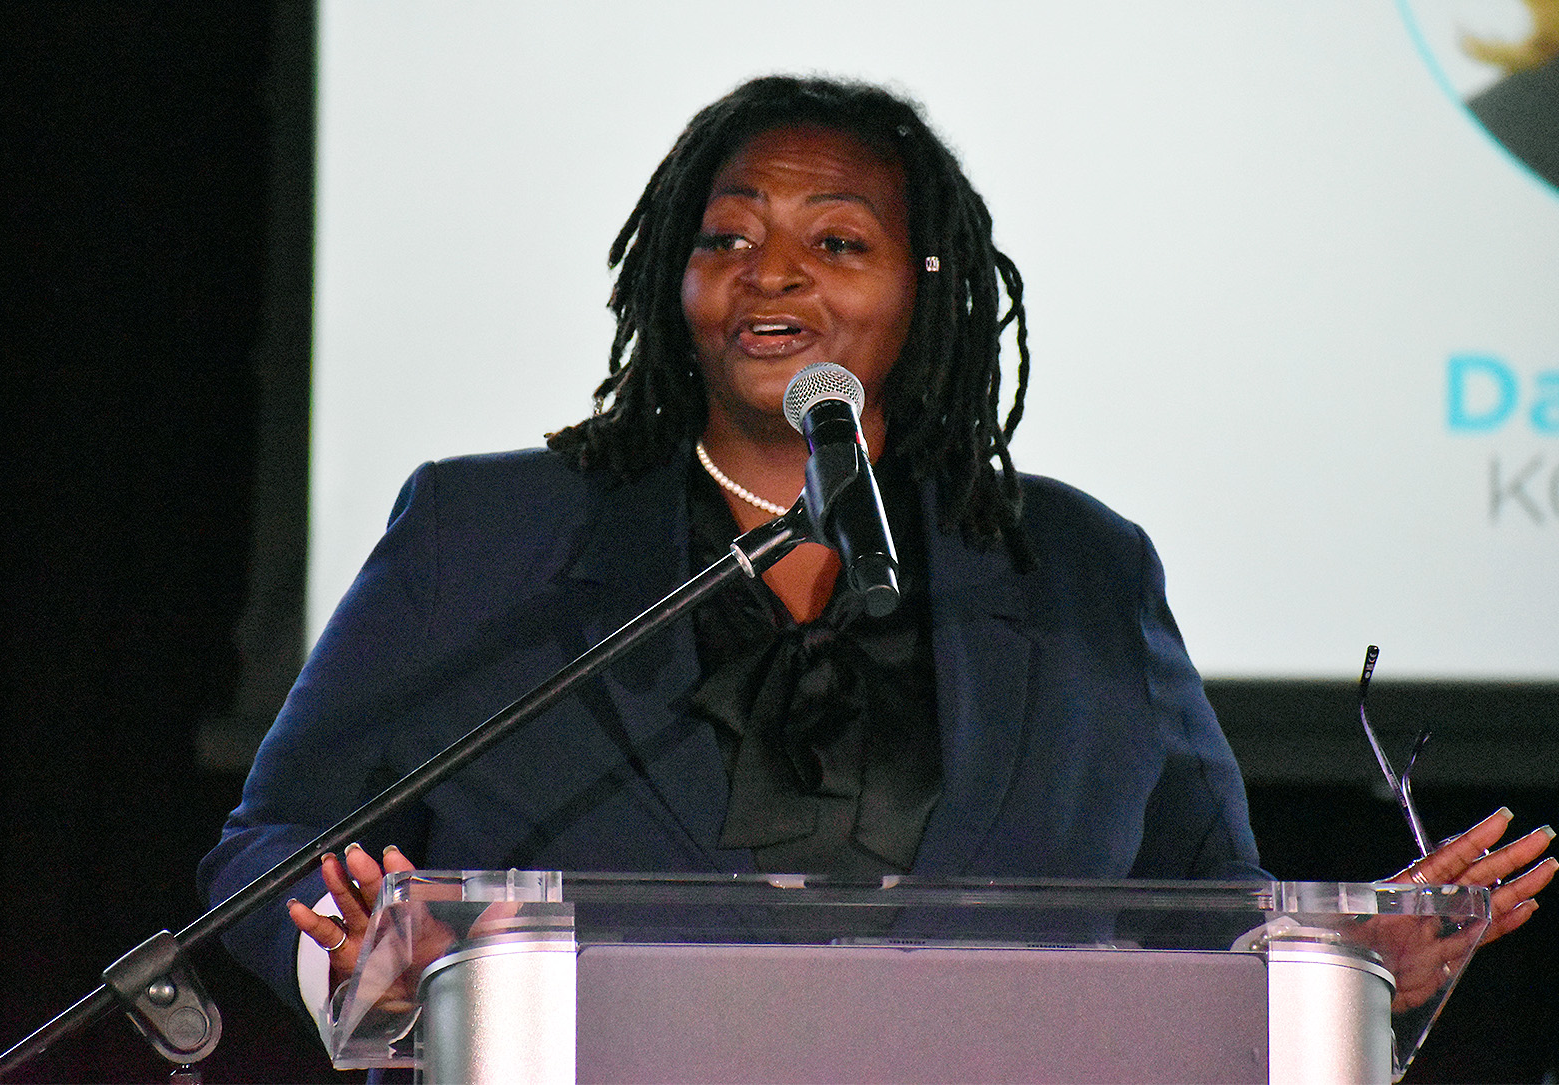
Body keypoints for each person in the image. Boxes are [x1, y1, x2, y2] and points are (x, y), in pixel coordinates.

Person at [199, 75, 1555, 1041]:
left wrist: (1357, 956)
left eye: (835, 241)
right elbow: (267, 846)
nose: (770, 274)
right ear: (671, 282)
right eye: (726, 237)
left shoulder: (1081, 568)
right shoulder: (483, 539)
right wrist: (360, 956)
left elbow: (1211, 902)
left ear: (930, 285)